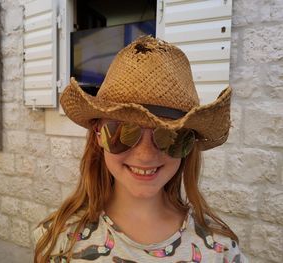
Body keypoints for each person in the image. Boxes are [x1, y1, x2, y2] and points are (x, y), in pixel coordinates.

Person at [33, 36, 248, 263]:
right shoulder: (58, 240)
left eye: (170, 136)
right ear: (97, 134)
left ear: (188, 145)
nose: (145, 155)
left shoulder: (219, 251)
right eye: (121, 132)